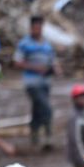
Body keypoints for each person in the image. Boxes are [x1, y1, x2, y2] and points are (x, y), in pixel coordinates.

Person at [14, 15, 61, 150]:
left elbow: (53, 60)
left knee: (37, 108)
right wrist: (35, 68)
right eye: (35, 28)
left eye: (40, 28)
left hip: (45, 82)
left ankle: (34, 134)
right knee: (46, 108)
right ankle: (48, 137)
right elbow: (17, 62)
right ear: (31, 28)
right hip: (32, 83)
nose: (38, 30)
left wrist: (56, 68)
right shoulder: (24, 44)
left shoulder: (47, 44)